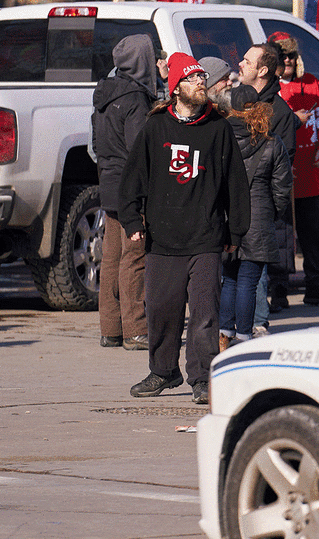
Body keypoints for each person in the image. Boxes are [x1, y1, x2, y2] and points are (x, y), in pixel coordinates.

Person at [119, 53, 250, 404]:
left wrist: (236, 233)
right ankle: (164, 371)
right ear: (175, 88)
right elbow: (131, 180)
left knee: (205, 312)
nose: (200, 84)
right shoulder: (155, 127)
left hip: (206, 237)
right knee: (161, 308)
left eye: (202, 79)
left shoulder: (218, 128)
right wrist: (132, 220)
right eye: (192, 80)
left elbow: (235, 184)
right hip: (162, 239)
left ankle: (203, 377)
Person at [269, 32, 319, 308]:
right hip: (282, 177)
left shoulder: (312, 83)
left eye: (291, 55)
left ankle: (317, 285)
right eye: (282, 55)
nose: (288, 60)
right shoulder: (270, 89)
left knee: (314, 236)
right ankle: (278, 290)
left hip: (312, 175)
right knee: (281, 238)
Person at [91, 34, 157, 351]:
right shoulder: (136, 99)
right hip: (131, 188)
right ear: (140, 62)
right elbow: (139, 151)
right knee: (135, 258)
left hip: (109, 183)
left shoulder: (105, 95)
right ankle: (136, 330)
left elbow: (97, 146)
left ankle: (111, 329)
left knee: (112, 258)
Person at [219, 84, 292, 349]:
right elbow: (282, 187)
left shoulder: (221, 137)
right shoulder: (272, 142)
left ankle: (224, 333)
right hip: (259, 216)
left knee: (229, 278)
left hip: (227, 217)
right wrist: (273, 212)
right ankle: (245, 336)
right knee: (249, 281)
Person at [237, 42, 298, 312]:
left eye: (247, 61)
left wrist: (268, 207)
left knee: (255, 276)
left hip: (259, 209)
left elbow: (282, 170)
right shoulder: (234, 102)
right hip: (232, 205)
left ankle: (256, 324)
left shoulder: (280, 112)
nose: (240, 63)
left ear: (263, 70)